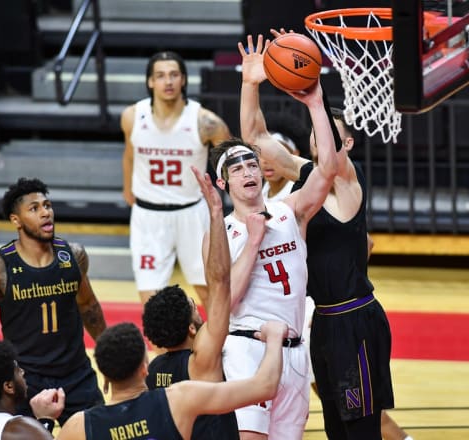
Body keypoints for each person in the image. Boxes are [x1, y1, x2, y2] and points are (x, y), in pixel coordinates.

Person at [239, 33, 400, 440]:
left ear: (347, 141)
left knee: (362, 432)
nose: (316, 135)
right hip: (324, 322)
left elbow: (330, 162)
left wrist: (314, 100)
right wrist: (250, 84)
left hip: (355, 319)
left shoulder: (347, 181)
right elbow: (256, 139)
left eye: (326, 130)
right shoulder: (309, 179)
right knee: (335, 430)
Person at [211, 49, 338, 437]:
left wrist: (316, 103)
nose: (248, 171)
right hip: (248, 348)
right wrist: (253, 242)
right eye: (237, 168)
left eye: (252, 163)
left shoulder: (289, 211)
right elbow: (224, 302)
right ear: (223, 183)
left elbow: (328, 170)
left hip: (297, 351)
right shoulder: (220, 233)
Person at [0, 177, 107, 427]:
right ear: (16, 220)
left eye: (47, 205)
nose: (45, 212)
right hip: (25, 380)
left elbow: (88, 307)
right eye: (34, 208)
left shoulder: (74, 256)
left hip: (76, 375)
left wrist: (106, 351)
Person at [121, 50, 231, 310]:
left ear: (183, 80)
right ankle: (162, 350)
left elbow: (231, 164)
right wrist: (128, 189)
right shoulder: (132, 117)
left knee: (209, 291)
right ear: (150, 82)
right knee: (150, 300)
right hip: (148, 216)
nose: (167, 81)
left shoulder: (207, 122)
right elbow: (129, 155)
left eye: (173, 75)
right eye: (160, 76)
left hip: (193, 213)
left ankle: (219, 348)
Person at [55, 320, 289, 440]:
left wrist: (45, 419)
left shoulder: (78, 426)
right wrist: (275, 337)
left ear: (104, 376)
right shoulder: (178, 399)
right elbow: (265, 386)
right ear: (145, 368)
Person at [142, 164, 239, 438]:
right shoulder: (202, 361)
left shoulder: (153, 371)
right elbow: (220, 283)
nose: (198, 308)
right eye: (193, 307)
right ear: (192, 328)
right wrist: (216, 213)